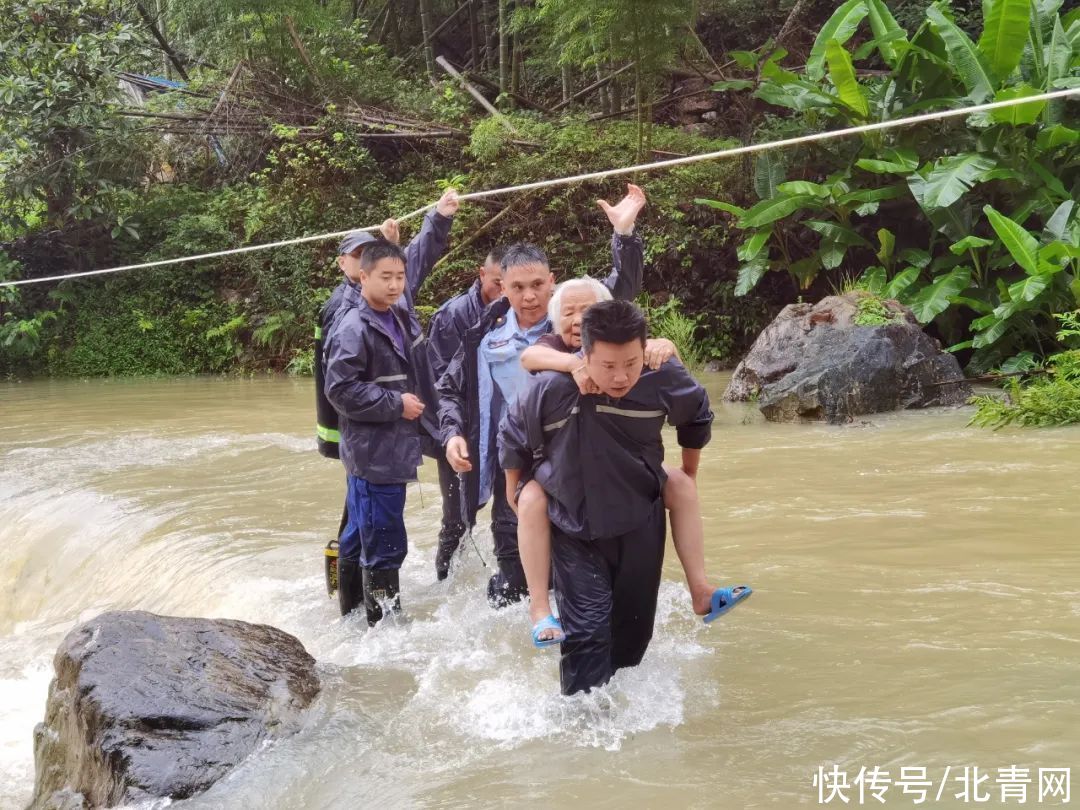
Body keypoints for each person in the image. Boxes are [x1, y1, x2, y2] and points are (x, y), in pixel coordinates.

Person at [500, 300, 750, 694]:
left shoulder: (660, 376)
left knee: (632, 643)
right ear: (583, 355)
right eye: (609, 366)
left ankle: (623, 731)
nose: (621, 377)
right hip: (574, 523)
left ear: (644, 349)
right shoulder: (552, 387)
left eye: (631, 363)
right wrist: (516, 490)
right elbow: (512, 437)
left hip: (640, 519)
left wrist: (688, 473)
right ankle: (583, 732)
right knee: (587, 636)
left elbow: (697, 414)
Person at [438, 184, 648, 607]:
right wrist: (452, 434)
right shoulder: (485, 335)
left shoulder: (574, 324)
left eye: (537, 284)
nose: (529, 296)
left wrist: (624, 237)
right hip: (510, 464)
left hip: (570, 462)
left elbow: (617, 291)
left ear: (552, 282)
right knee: (513, 576)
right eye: (516, 287)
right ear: (501, 287)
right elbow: (449, 389)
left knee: (573, 575)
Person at [315, 190, 458, 607]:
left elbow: (414, 259)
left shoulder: (396, 309)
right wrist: (396, 404)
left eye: (399, 277)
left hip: (385, 446)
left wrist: (438, 218)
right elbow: (339, 388)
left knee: (360, 531)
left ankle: (352, 620)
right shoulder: (349, 320)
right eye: (384, 275)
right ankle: (383, 636)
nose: (397, 284)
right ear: (356, 272)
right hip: (376, 450)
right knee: (385, 544)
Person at [424, 247, 506, 580]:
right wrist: (452, 434)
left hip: (504, 431)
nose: (504, 291)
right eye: (497, 281)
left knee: (509, 514)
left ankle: (509, 578)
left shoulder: (525, 312)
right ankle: (444, 583)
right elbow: (442, 385)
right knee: (459, 517)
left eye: (509, 283)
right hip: (462, 430)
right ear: (481, 274)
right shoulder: (454, 315)